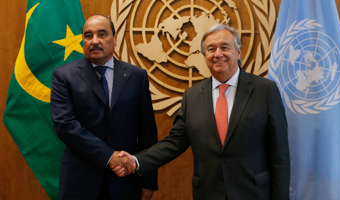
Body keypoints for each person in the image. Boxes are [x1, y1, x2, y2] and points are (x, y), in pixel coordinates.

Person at [115, 24, 290, 200]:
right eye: (211, 49)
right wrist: (135, 161)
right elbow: (174, 143)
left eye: (225, 47)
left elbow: (279, 155)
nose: (218, 54)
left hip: (254, 193)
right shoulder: (192, 96)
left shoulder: (265, 90)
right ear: (205, 57)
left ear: (238, 52)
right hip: (208, 193)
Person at [50, 14, 158, 200]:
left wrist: (148, 182)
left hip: (125, 181)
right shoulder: (64, 76)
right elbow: (65, 125)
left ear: (115, 39)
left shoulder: (136, 76)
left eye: (102, 34)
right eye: (88, 36)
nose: (95, 41)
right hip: (80, 181)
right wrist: (109, 156)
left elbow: (147, 132)